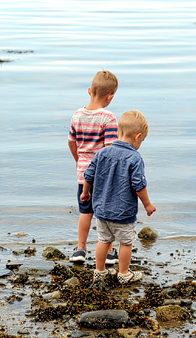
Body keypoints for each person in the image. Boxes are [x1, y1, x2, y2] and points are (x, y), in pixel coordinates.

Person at [80, 110, 155, 284]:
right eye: (142, 141)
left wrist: (85, 193)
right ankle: (123, 273)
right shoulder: (134, 157)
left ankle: (99, 272)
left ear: (119, 132)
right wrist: (147, 204)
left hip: (101, 209)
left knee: (103, 241)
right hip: (124, 213)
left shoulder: (103, 152)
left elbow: (88, 175)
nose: (140, 144)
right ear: (137, 136)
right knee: (126, 243)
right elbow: (139, 185)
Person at [68, 71, 119, 265]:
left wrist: (78, 161)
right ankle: (109, 251)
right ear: (110, 97)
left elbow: (72, 143)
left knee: (85, 211)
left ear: (90, 91)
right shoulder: (108, 117)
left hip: (83, 174)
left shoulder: (77, 115)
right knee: (106, 213)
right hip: (103, 175)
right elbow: (109, 150)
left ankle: (81, 248)